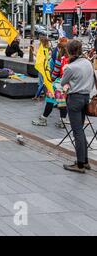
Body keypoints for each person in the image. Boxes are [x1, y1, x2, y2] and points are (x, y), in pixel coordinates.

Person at [61, 40, 95, 173]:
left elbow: (63, 81)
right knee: (80, 130)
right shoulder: (88, 62)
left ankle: (80, 164)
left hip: (74, 99)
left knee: (77, 131)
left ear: (69, 51)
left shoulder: (70, 67)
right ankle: (85, 160)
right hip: (86, 97)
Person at [32, 38, 69, 128]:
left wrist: (50, 80)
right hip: (67, 84)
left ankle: (43, 119)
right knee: (62, 102)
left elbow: (55, 72)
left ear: (60, 49)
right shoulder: (70, 58)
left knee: (50, 100)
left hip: (58, 83)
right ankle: (62, 121)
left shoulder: (60, 59)